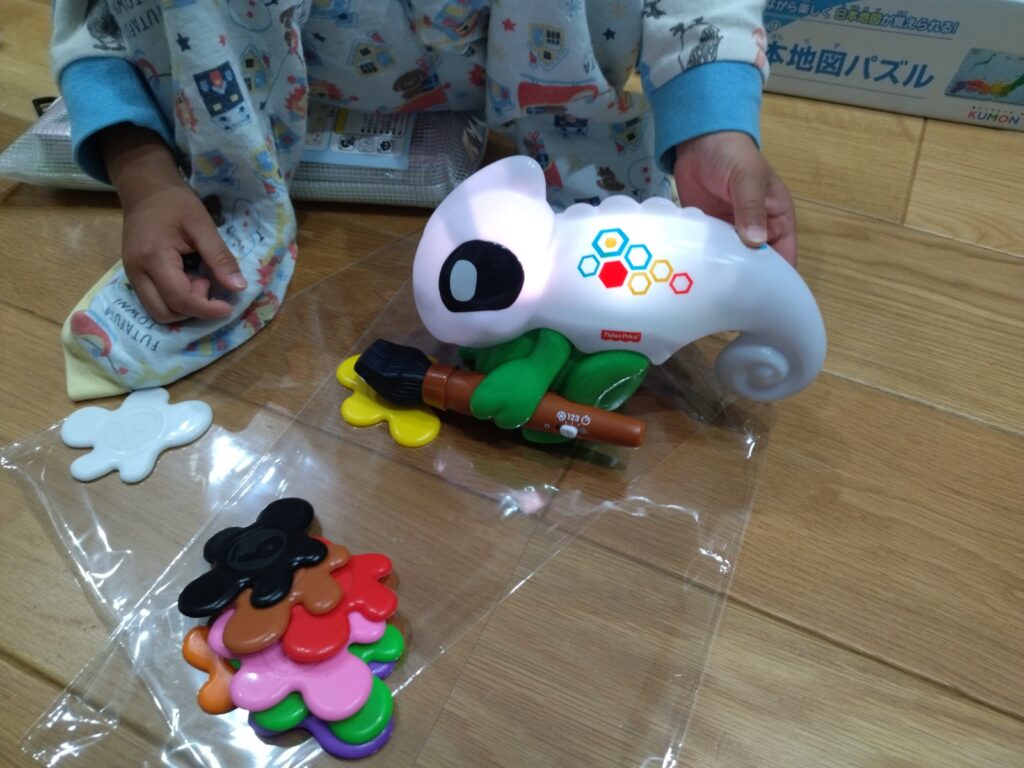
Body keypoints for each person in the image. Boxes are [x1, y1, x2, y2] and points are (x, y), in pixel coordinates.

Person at [51, 0, 795, 400]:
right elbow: (101, 20)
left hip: (534, 77)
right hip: (270, 76)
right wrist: (143, 170)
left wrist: (713, 124)